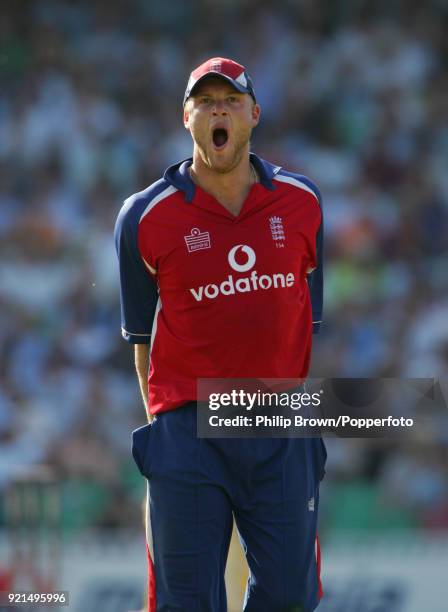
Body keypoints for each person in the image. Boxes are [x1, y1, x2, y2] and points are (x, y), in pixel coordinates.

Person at [115, 57, 326, 612]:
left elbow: (307, 322)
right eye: (205, 102)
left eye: (230, 101)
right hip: (189, 425)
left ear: (254, 115)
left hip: (277, 420)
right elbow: (142, 339)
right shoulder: (144, 216)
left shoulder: (302, 202)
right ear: (186, 118)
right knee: (187, 603)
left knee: (290, 597)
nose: (218, 110)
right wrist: (166, 431)